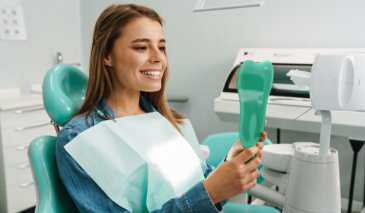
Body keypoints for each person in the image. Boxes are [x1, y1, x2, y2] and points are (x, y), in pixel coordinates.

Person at [56, 4, 266, 213]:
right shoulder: (79, 139)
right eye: (141, 47)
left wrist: (230, 163)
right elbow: (204, 195)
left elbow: (199, 188)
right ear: (107, 55)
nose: (158, 58)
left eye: (162, 47)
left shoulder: (171, 121)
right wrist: (210, 192)